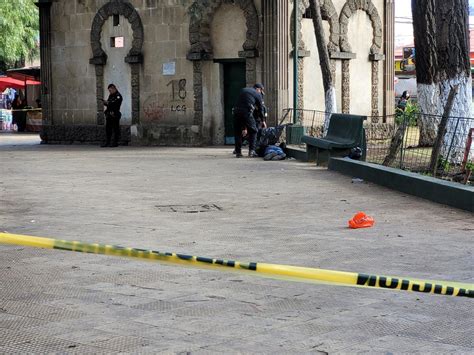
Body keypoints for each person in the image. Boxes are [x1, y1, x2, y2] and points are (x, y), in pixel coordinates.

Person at [233, 83, 267, 158]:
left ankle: (238, 152)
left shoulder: (243, 90)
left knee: (238, 132)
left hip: (236, 112)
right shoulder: (257, 94)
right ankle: (252, 151)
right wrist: (263, 121)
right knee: (254, 130)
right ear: (258, 89)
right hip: (246, 113)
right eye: (261, 91)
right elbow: (261, 109)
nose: (261, 93)